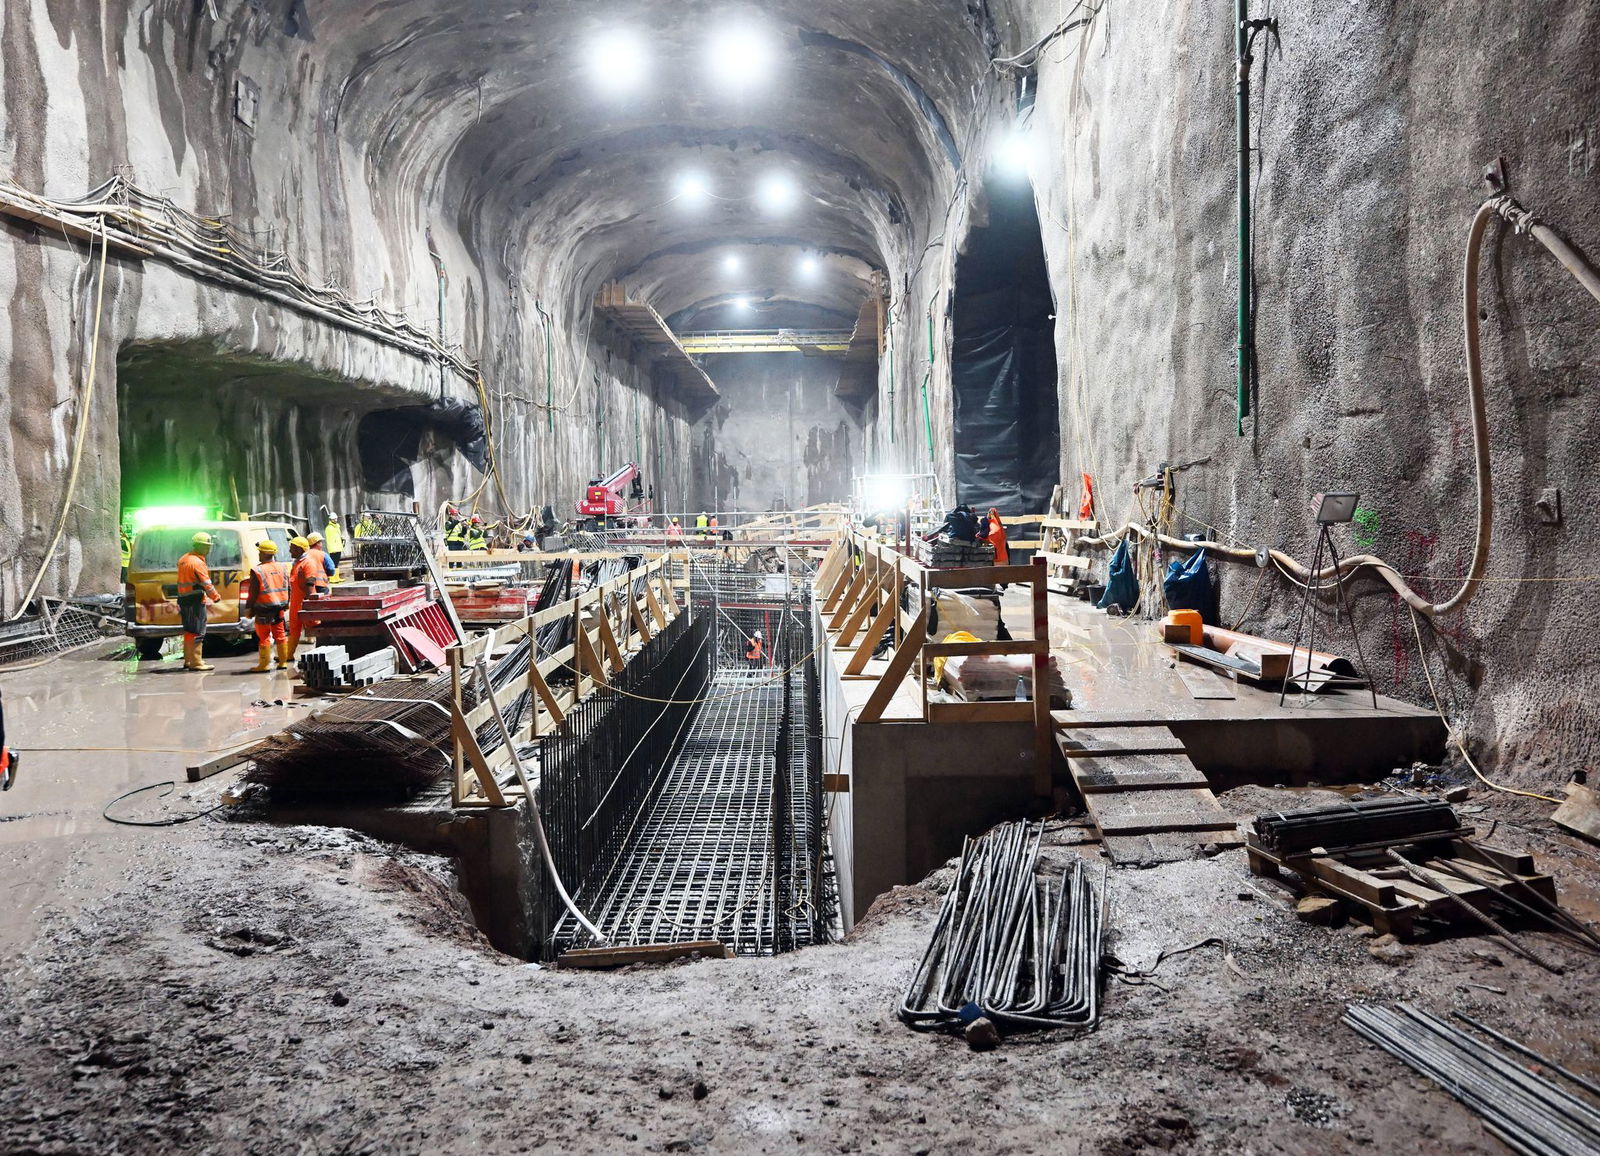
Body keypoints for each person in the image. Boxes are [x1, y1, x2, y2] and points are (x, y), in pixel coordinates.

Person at [244, 539, 293, 671]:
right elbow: (289, 587)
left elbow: (252, 593)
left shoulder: (258, 570)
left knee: (264, 636)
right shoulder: (283, 567)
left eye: (260, 552)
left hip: (263, 608)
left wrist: (249, 608)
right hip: (279, 607)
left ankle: (264, 665)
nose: (259, 554)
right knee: (280, 634)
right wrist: (287, 603)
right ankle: (283, 662)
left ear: (264, 554)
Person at [176, 532, 222, 671]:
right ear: (200, 546)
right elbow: (206, 583)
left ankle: (189, 660)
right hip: (195, 600)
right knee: (198, 631)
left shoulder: (184, 559)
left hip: (184, 599)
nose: (209, 549)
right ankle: (196, 662)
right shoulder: (197, 562)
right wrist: (215, 596)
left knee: (189, 630)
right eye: (206, 546)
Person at [287, 537, 328, 660]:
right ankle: (288, 655)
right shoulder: (297, 562)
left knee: (313, 628)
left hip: (304, 602)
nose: (290, 551)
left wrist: (310, 605)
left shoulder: (308, 563)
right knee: (294, 628)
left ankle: (320, 655)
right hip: (296, 602)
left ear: (300, 549)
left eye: (292, 548)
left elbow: (310, 583)